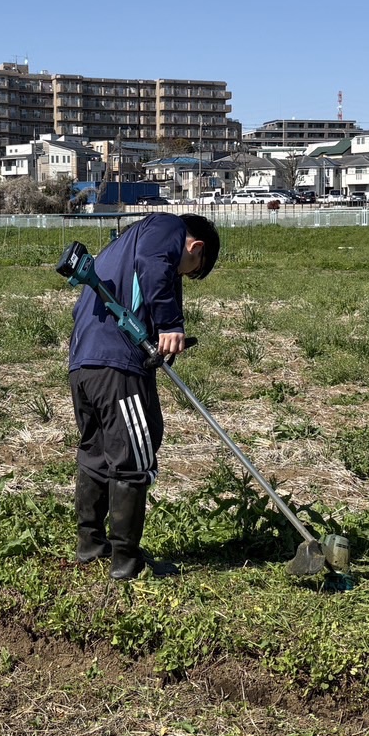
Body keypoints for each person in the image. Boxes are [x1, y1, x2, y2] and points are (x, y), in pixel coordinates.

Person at [67, 212, 220, 580]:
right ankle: (126, 561)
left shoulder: (119, 247)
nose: (182, 274)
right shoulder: (166, 228)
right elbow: (155, 263)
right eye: (191, 270)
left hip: (83, 364)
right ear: (196, 247)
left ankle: (90, 545)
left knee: (96, 453)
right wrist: (170, 324)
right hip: (117, 368)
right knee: (132, 459)